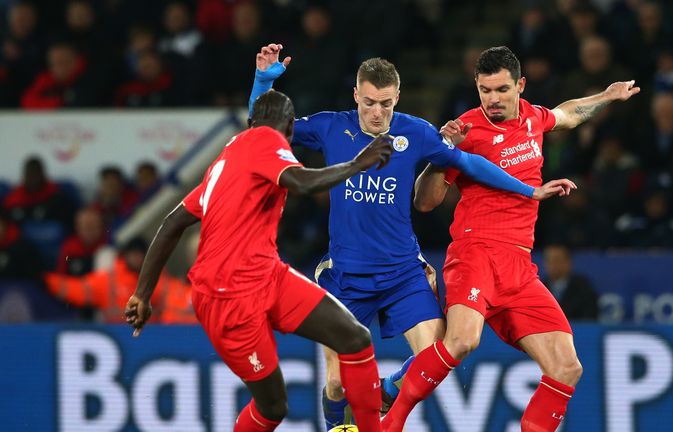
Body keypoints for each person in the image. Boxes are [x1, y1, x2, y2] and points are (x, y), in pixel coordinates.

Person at [249, 44, 575, 430]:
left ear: (397, 98)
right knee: (337, 383)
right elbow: (261, 131)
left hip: (403, 273)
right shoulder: (329, 127)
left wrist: (529, 191)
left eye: (385, 104)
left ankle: (386, 397)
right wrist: (261, 83)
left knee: (437, 353)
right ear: (356, 95)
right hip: (347, 274)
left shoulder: (415, 131)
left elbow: (468, 162)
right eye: (369, 102)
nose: (376, 113)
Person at [383, 46, 639, 432]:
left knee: (567, 367)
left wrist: (606, 96)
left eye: (501, 89)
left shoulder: (534, 118)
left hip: (519, 267)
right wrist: (442, 153)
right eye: (485, 90)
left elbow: (567, 114)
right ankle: (388, 423)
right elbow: (425, 202)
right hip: (476, 253)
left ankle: (389, 388)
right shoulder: (466, 130)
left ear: (520, 85)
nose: (493, 99)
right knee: (462, 341)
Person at [125, 90, 394, 432]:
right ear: (291, 129)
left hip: (267, 275)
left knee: (354, 337)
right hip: (228, 296)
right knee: (272, 407)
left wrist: (142, 294)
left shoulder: (226, 161)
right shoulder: (266, 139)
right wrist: (359, 164)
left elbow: (171, 224)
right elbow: (300, 183)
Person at [47, 237, 194, 324]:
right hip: (117, 335)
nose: (137, 258)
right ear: (125, 255)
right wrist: (45, 279)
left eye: (141, 254)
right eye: (133, 254)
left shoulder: (160, 280)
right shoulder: (109, 281)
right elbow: (74, 289)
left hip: (149, 338)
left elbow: (180, 306)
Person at [541, 244, 598, 321]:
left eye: (557, 260)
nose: (553, 265)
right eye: (549, 260)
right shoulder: (540, 287)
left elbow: (589, 315)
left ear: (568, 262)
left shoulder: (582, 287)